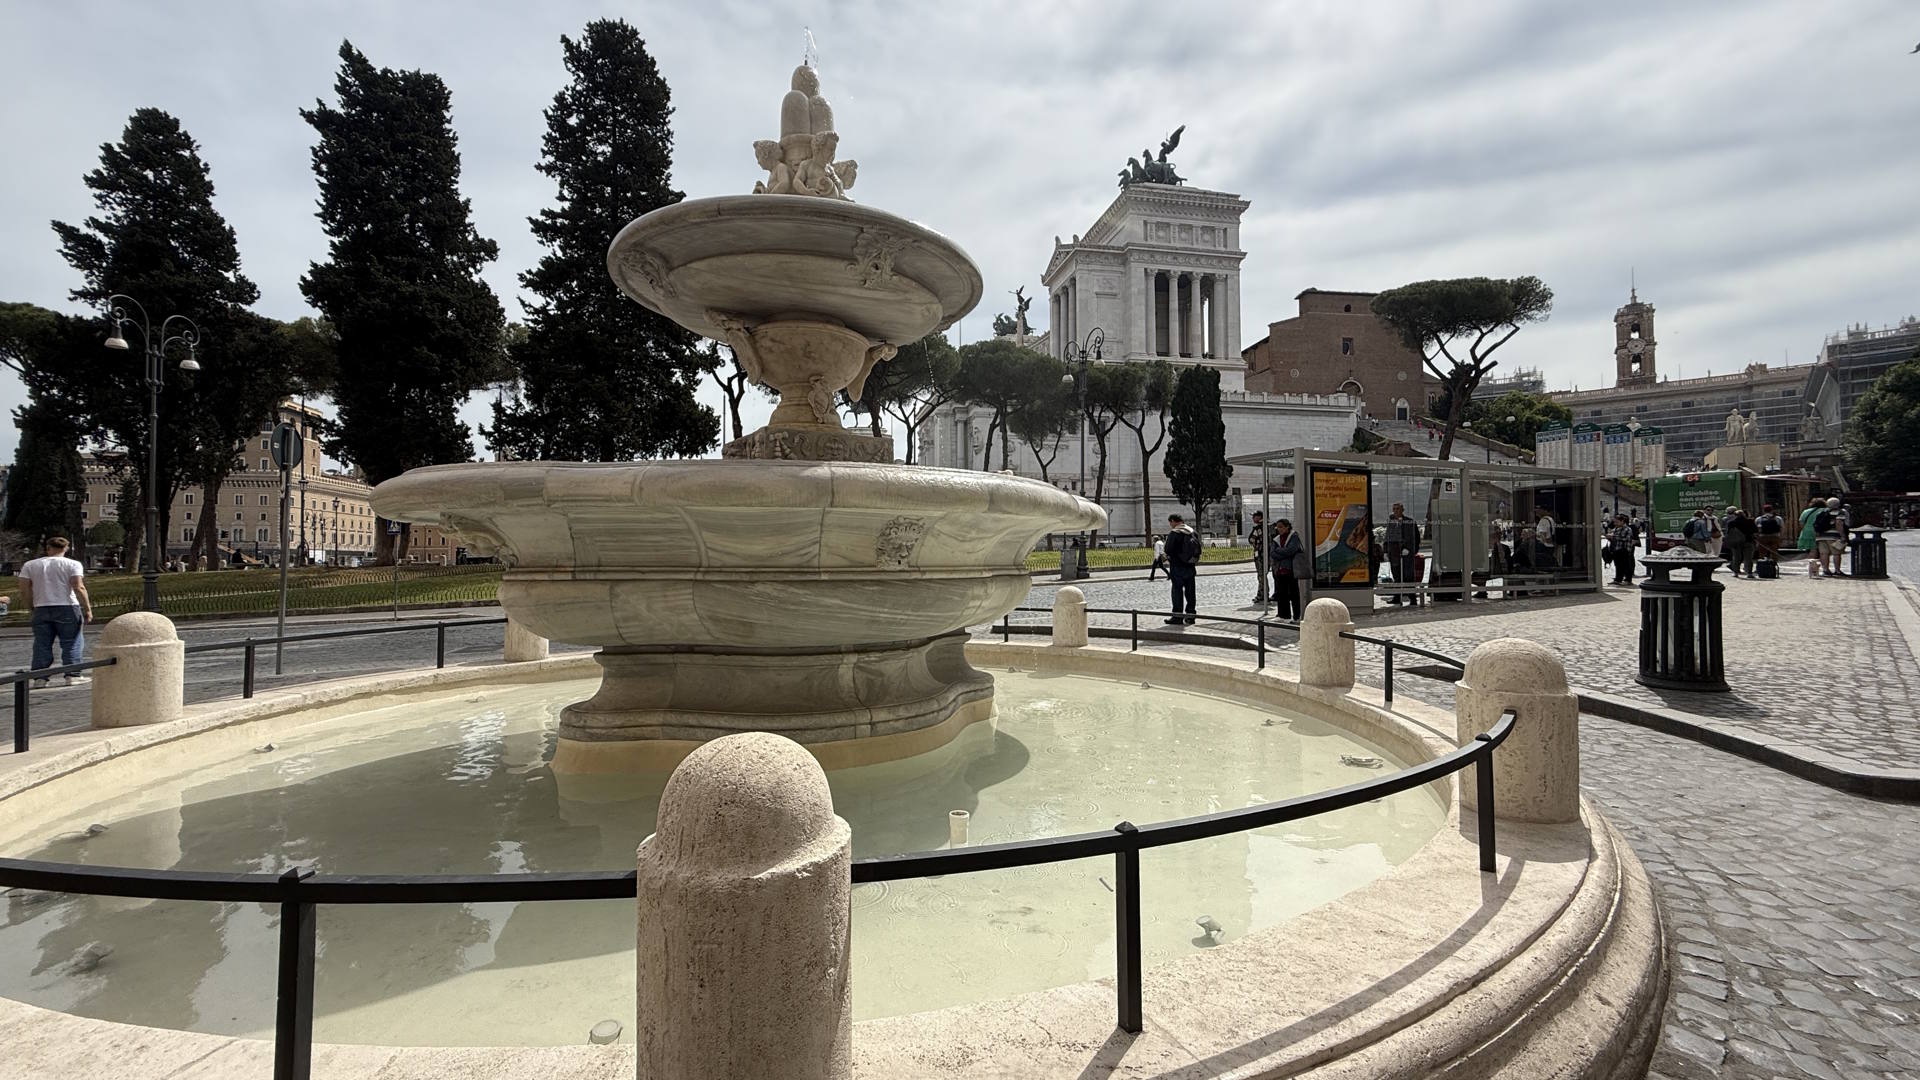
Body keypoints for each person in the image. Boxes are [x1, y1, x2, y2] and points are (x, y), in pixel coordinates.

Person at [16, 537, 93, 687]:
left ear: (48, 548)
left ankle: (39, 678)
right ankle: (72, 675)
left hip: (41, 606)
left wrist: (30, 605)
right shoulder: (73, 564)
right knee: (72, 642)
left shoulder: (30, 565)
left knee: (42, 643)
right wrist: (88, 608)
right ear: (66, 549)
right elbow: (78, 587)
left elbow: (24, 588)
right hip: (67, 606)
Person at [1162, 514, 1199, 625]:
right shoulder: (1192, 532)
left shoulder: (1175, 533)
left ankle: (1177, 616)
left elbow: (1168, 549)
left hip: (1177, 566)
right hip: (1190, 566)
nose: (1170, 525)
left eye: (1170, 522)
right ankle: (1191, 616)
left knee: (1177, 591)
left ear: (1173, 521)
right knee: (1190, 592)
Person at [1382, 503, 1421, 606]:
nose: (1395, 511)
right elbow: (1387, 537)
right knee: (1397, 575)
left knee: (1408, 575)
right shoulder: (1391, 522)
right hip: (1394, 553)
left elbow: (1415, 538)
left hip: (1406, 554)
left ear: (1402, 510)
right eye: (1394, 509)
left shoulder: (1409, 522)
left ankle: (1412, 598)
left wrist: (1410, 549)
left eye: (1398, 509)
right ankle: (1397, 597)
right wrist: (1385, 551)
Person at [1269, 518, 1306, 621]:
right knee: (1281, 594)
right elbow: (1272, 553)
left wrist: (1279, 551)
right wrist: (1282, 553)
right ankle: (1284, 615)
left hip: (1291, 570)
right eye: (1278, 527)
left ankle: (1296, 616)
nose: (1279, 529)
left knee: (1294, 594)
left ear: (1287, 527)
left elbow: (1291, 550)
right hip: (1280, 570)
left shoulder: (1293, 537)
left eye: (1281, 527)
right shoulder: (1276, 539)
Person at [1814, 497, 1846, 576]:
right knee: (1836, 554)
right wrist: (1842, 535)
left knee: (1824, 553)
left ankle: (1825, 570)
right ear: (1838, 504)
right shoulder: (1840, 512)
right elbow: (1839, 524)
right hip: (1833, 536)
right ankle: (1837, 571)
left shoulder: (1821, 512)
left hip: (1821, 536)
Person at [1724, 506, 1759, 578]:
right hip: (1748, 541)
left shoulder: (1731, 522)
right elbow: (1755, 531)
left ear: (1735, 515)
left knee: (1736, 557)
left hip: (1736, 542)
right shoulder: (1750, 521)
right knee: (1748, 558)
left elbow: (1728, 533)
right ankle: (1749, 573)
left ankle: (1735, 572)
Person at [1607, 514, 1637, 585]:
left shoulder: (1627, 529)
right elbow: (1614, 537)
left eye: (1617, 522)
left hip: (1624, 549)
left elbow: (1627, 539)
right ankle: (1618, 579)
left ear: (1622, 521)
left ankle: (1628, 580)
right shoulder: (1616, 528)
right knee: (1618, 565)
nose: (1615, 524)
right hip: (1616, 549)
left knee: (1626, 565)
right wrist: (1609, 537)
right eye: (1615, 522)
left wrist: (1614, 537)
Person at [1247, 511, 1268, 605]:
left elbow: (1252, 539)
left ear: (1259, 517)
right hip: (1263, 554)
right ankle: (1263, 594)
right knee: (1262, 575)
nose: (1253, 518)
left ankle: (1262, 595)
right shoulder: (1265, 526)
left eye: (1254, 516)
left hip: (1260, 554)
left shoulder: (1259, 528)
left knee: (1261, 575)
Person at [1754, 503, 1784, 568]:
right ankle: (1773, 565)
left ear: (1764, 510)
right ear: (1772, 510)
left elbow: (1756, 529)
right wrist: (1781, 537)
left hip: (1763, 537)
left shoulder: (1759, 519)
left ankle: (1761, 565)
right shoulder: (1778, 518)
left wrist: (1757, 538)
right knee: (1774, 551)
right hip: (1775, 536)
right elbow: (1781, 528)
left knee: (1762, 552)